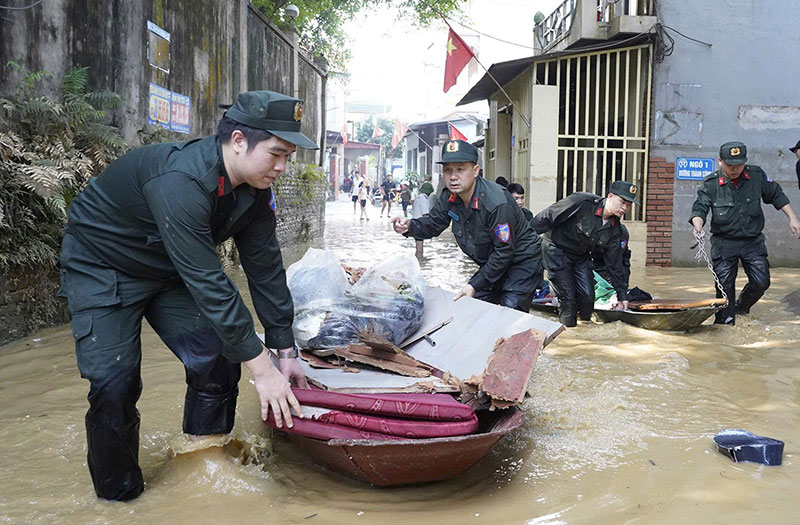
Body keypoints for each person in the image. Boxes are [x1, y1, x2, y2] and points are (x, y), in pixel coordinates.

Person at [57, 90, 314, 501]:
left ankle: (202, 459)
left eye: (288, 157)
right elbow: (210, 282)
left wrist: (284, 350)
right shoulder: (182, 181)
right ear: (238, 142)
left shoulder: (255, 190)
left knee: (218, 355)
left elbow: (265, 269)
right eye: (276, 154)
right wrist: (262, 370)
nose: (282, 167)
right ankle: (119, 498)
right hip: (103, 266)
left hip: (169, 267)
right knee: (115, 384)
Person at [391, 139, 543, 311]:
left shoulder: (496, 203)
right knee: (468, 308)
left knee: (509, 314)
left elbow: (504, 251)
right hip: (493, 264)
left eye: (460, 169)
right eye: (448, 170)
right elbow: (434, 223)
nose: (453, 176)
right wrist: (410, 226)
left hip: (522, 263)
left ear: (476, 170)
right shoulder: (449, 197)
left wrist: (475, 284)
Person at [690, 141, 800, 325]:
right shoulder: (711, 184)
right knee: (724, 288)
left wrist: (793, 218)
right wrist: (697, 226)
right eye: (730, 165)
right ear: (720, 161)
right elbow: (699, 208)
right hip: (724, 243)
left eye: (739, 165)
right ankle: (725, 326)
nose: (735, 169)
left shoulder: (756, 176)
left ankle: (741, 307)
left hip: (752, 242)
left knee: (761, 282)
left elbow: (776, 195)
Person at [531, 181, 635, 327]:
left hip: (580, 257)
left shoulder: (615, 229)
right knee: (568, 299)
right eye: (622, 202)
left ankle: (584, 330)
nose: (625, 208)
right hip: (556, 251)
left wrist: (622, 295)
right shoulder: (582, 202)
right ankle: (567, 334)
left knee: (588, 298)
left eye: (629, 204)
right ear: (610, 196)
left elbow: (614, 263)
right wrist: (525, 243)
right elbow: (546, 217)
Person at [411, 181, 434, 257]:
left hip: (415, 223)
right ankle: (420, 261)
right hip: (419, 225)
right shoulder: (424, 199)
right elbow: (425, 214)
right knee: (420, 249)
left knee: (418, 245)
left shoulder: (418, 198)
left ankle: (419, 260)